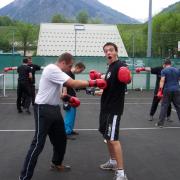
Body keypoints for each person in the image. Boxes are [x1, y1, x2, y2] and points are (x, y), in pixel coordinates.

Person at [19, 52, 107, 180]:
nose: (70, 68)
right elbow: (74, 84)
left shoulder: (58, 73)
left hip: (54, 109)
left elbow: (59, 93)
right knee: (38, 144)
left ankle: (56, 163)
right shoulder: (52, 69)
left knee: (61, 140)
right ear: (63, 62)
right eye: (69, 65)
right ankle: (24, 176)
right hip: (43, 109)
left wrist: (67, 97)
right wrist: (94, 82)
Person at [92, 42, 131, 180]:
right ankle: (113, 161)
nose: (108, 52)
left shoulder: (120, 65)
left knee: (113, 139)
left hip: (114, 109)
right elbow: (109, 87)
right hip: (105, 107)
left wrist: (128, 76)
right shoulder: (110, 68)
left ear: (116, 52)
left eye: (111, 50)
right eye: (106, 51)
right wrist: (98, 90)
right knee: (107, 137)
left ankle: (121, 173)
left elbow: (127, 78)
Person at [62, 62, 86, 138]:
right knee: (69, 114)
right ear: (77, 67)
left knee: (72, 114)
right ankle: (66, 132)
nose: (80, 72)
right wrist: (65, 97)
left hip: (72, 97)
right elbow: (64, 84)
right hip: (69, 97)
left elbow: (72, 85)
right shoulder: (67, 73)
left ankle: (70, 130)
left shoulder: (72, 74)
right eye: (81, 70)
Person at [155, 58, 180, 127]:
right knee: (178, 107)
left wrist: (160, 90)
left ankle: (160, 124)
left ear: (164, 64)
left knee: (164, 106)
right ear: (170, 64)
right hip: (176, 90)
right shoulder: (177, 70)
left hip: (167, 90)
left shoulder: (164, 70)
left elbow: (162, 80)